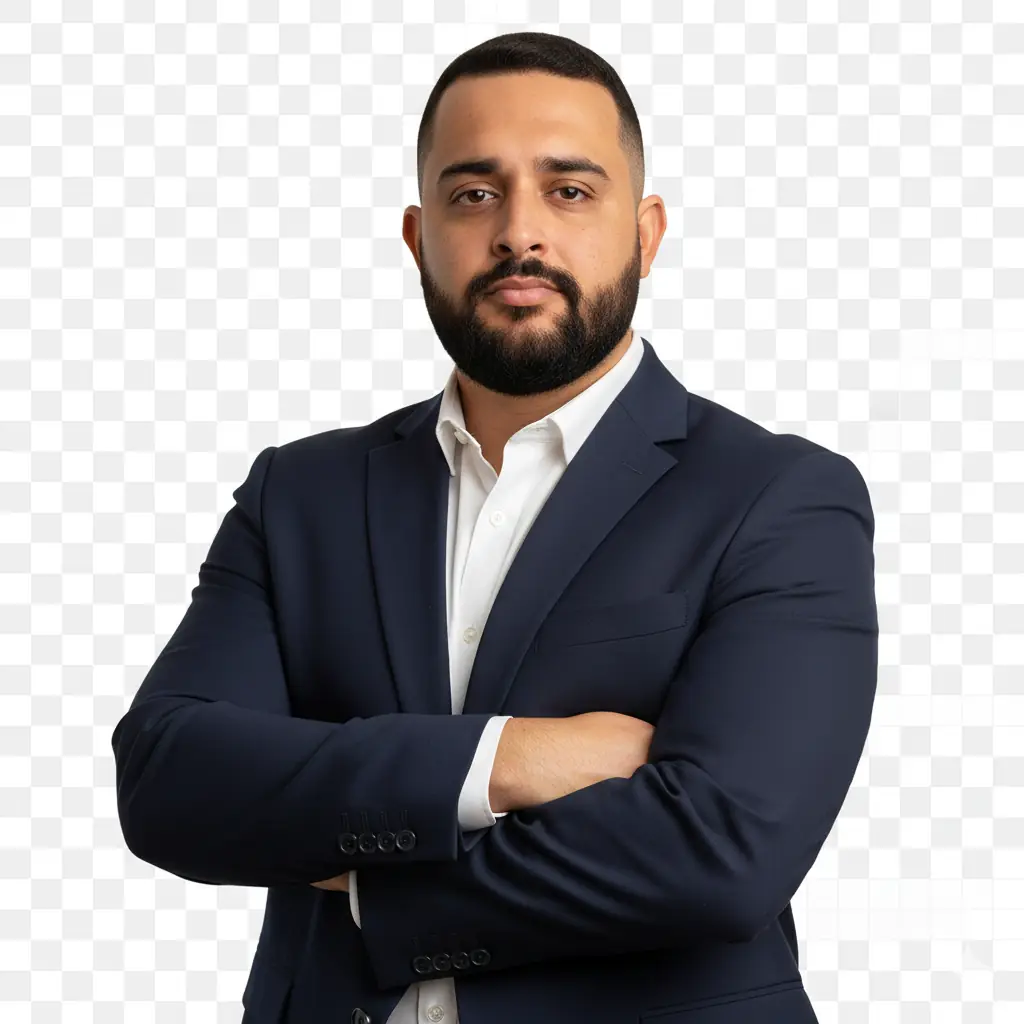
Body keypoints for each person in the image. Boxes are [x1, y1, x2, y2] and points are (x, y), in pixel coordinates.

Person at [110, 30, 878, 1024]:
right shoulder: (297, 494)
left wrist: (370, 883)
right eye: (474, 193)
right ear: (417, 236)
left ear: (645, 234)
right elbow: (170, 779)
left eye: (569, 191)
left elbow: (723, 855)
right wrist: (513, 758)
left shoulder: (780, 497)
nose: (520, 232)